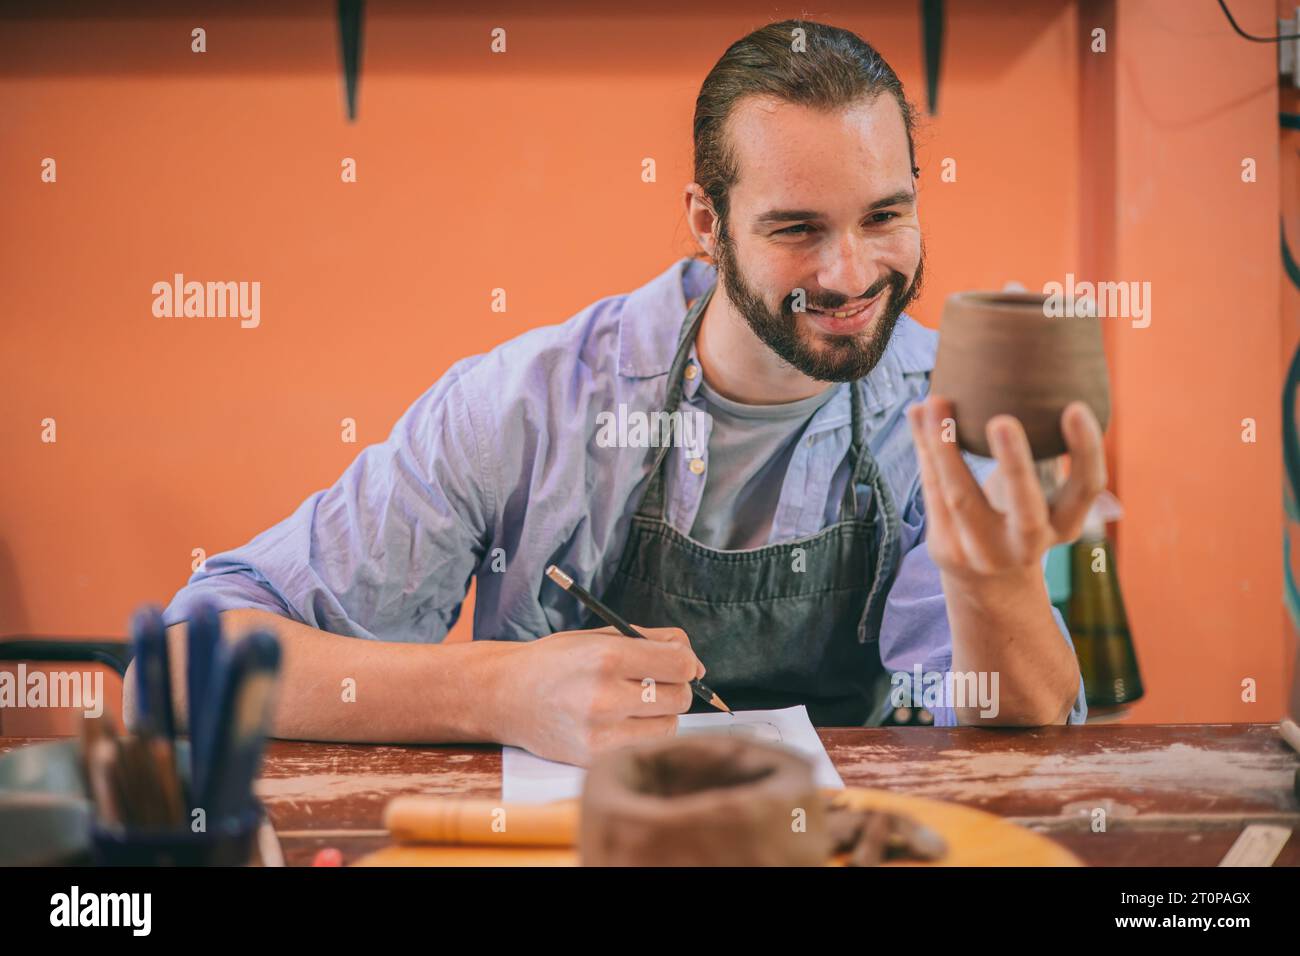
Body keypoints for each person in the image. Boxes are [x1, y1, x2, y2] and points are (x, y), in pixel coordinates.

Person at [125, 19, 1103, 766]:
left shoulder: (938, 405)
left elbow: (1025, 734)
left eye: (885, 215)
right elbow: (172, 672)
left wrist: (997, 577)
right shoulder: (524, 407)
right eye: (796, 228)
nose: (851, 274)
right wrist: (491, 688)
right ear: (705, 224)